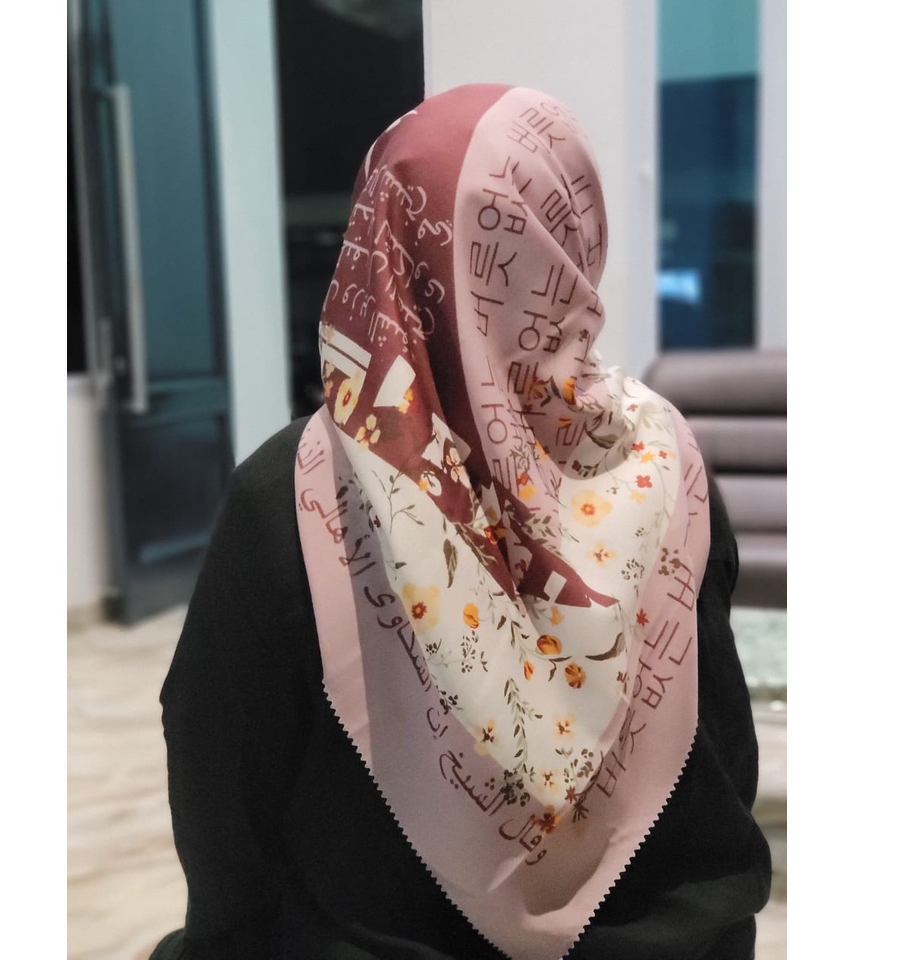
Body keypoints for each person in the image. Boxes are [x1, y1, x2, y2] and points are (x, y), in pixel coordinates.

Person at [150, 83, 771, 960]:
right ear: (571, 242)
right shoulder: (664, 466)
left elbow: (218, 783)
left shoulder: (290, 494)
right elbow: (722, 766)